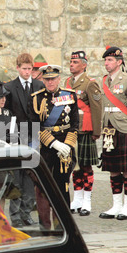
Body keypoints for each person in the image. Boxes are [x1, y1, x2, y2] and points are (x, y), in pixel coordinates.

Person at [98, 46, 127, 221]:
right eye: (106, 60)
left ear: (119, 62)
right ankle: (116, 205)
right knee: (113, 169)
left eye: (110, 60)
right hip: (109, 129)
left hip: (124, 127)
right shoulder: (104, 81)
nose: (106, 63)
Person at [28, 65, 79, 211]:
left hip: (65, 148)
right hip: (46, 148)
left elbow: (75, 125)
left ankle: (63, 222)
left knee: (63, 185)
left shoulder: (70, 96)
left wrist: (67, 146)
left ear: (59, 79)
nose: (50, 82)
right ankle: (46, 225)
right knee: (44, 186)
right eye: (47, 79)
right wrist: (54, 143)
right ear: (43, 80)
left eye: (53, 79)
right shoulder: (36, 98)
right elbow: (35, 126)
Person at [3, 53, 43, 227]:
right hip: (16, 133)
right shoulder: (10, 87)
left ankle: (27, 211)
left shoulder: (39, 85)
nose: (28, 72)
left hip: (33, 133)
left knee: (31, 174)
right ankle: (15, 214)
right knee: (16, 175)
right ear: (18, 68)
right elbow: (7, 113)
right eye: (24, 69)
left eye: (30, 69)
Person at [65, 51, 102, 216]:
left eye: (75, 62)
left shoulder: (89, 83)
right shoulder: (67, 82)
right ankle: (77, 199)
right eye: (71, 61)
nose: (72, 64)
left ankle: (87, 201)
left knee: (86, 167)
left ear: (84, 65)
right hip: (71, 130)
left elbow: (96, 107)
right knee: (75, 166)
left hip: (84, 129)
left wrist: (96, 131)